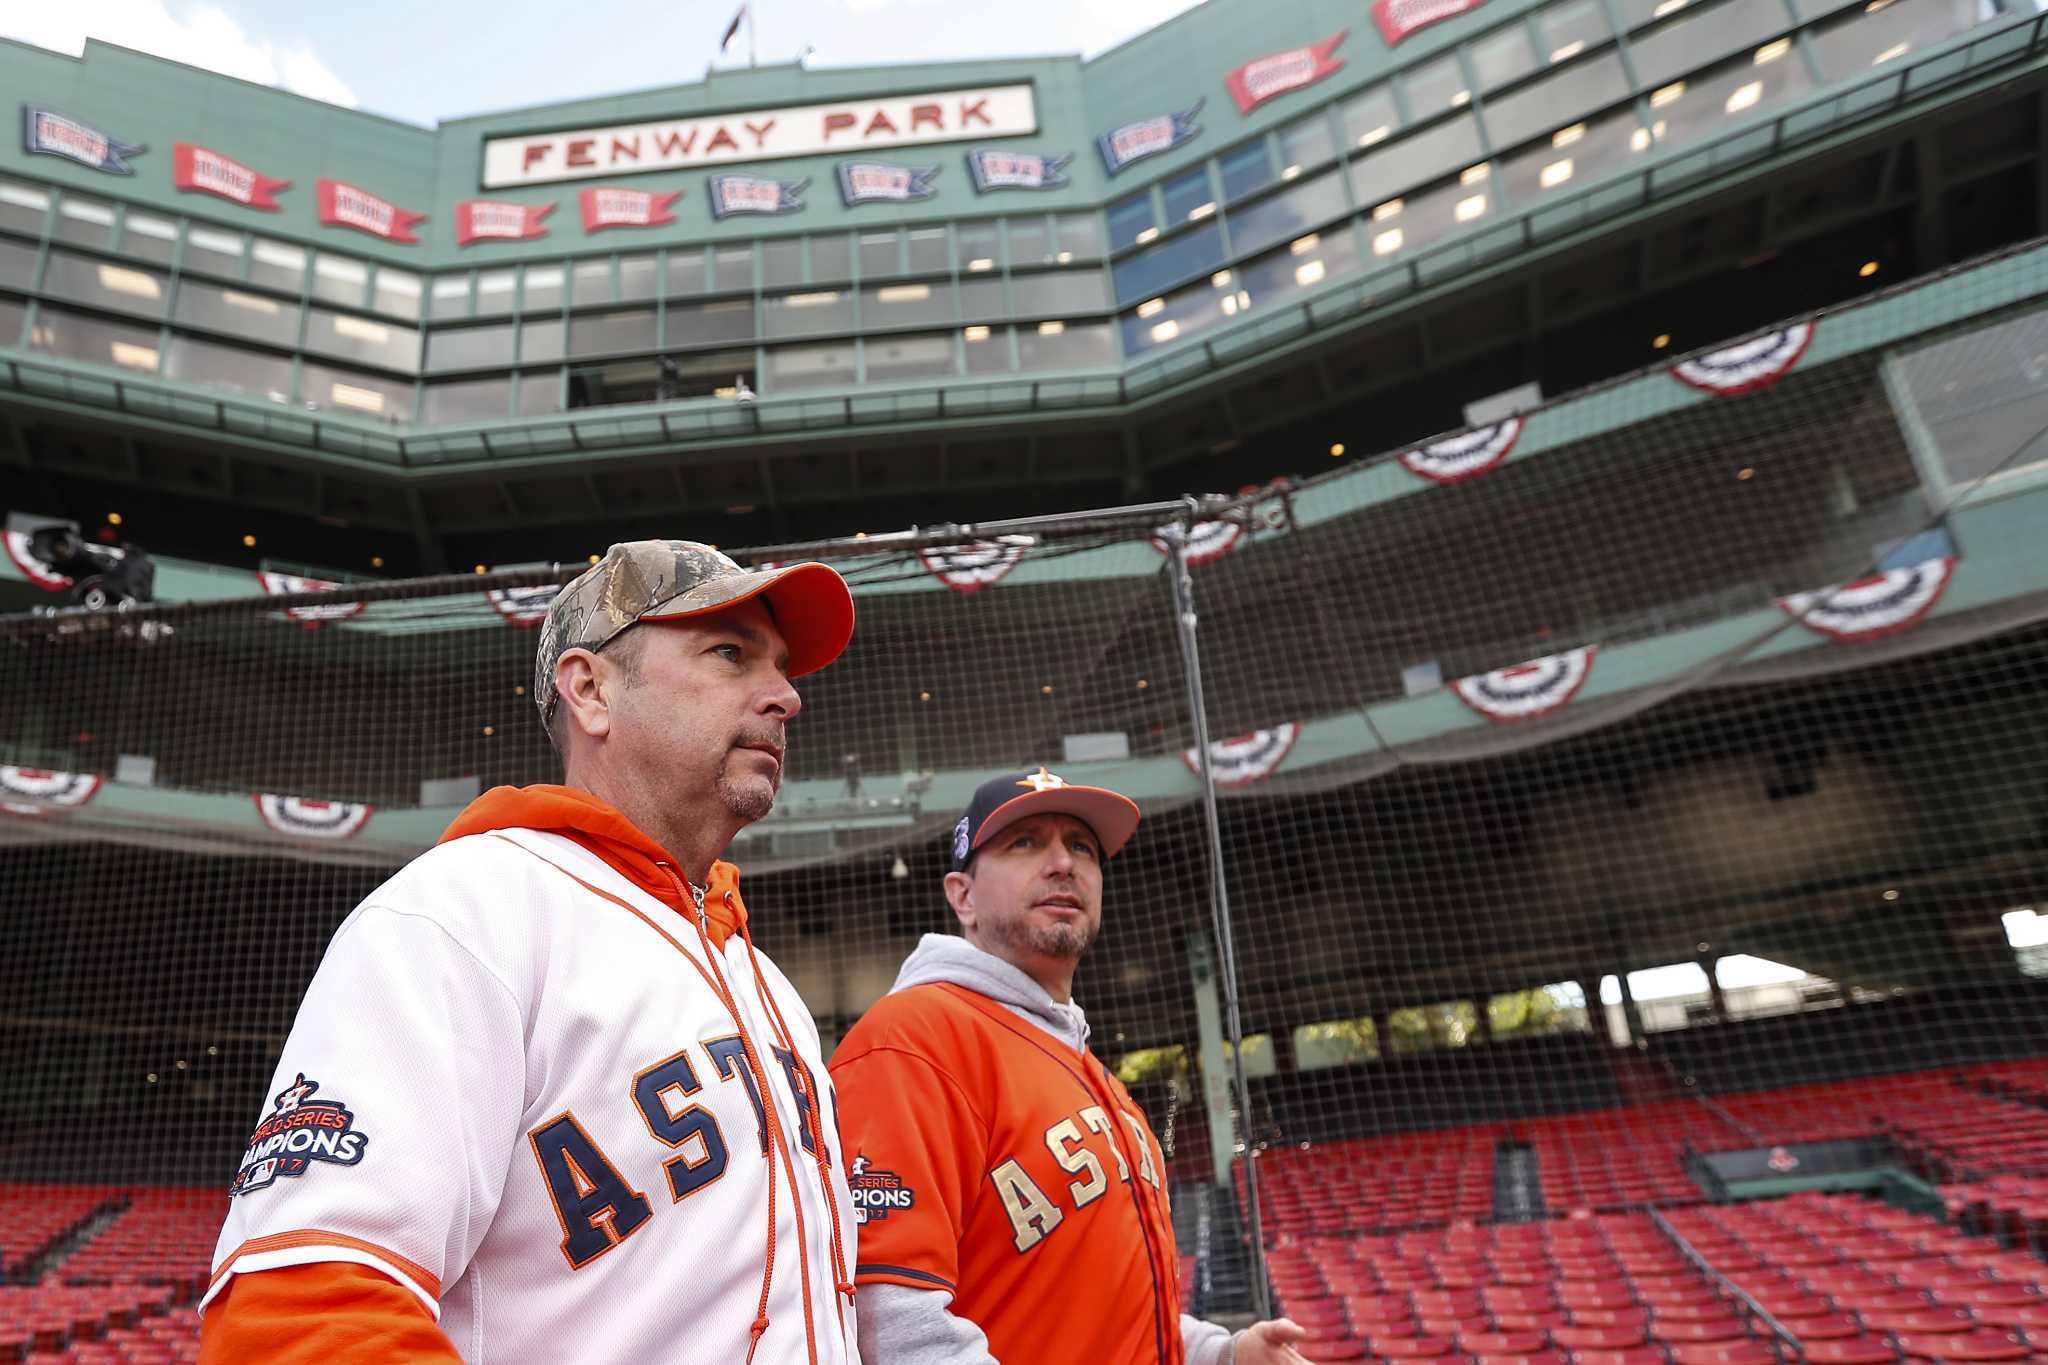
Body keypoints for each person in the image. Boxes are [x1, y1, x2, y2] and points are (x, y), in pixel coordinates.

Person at [200, 540, 863, 1365]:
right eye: (730, 653)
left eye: (782, 665)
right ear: (591, 690)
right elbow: (301, 1316)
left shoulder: (768, 986)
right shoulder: (460, 916)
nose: (786, 696)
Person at [831, 766, 1314, 1365]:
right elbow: (889, 1324)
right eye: (1025, 842)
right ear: (962, 896)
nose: (1063, 863)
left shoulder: (1091, 1072)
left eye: (1081, 846)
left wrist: (1222, 1352)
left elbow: (1101, 1309)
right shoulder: (912, 1040)